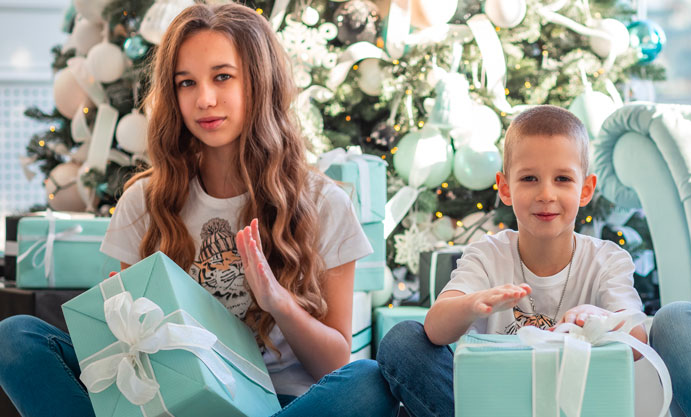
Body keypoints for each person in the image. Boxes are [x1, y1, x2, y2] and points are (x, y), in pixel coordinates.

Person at [0, 4, 396, 417]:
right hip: (175, 399)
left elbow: (333, 363)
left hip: (280, 406)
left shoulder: (323, 202)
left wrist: (277, 300)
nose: (204, 99)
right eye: (186, 83)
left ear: (261, 82)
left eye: (222, 76)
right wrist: (125, 324)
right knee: (16, 337)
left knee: (367, 381)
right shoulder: (145, 202)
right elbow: (132, 358)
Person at [375, 105, 647, 417]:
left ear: (585, 190)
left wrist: (600, 317)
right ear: (505, 188)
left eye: (562, 179)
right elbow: (435, 328)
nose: (546, 194)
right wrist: (473, 303)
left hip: (570, 407)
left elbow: (639, 342)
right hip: (492, 406)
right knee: (404, 341)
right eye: (529, 178)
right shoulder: (487, 253)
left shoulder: (606, 260)